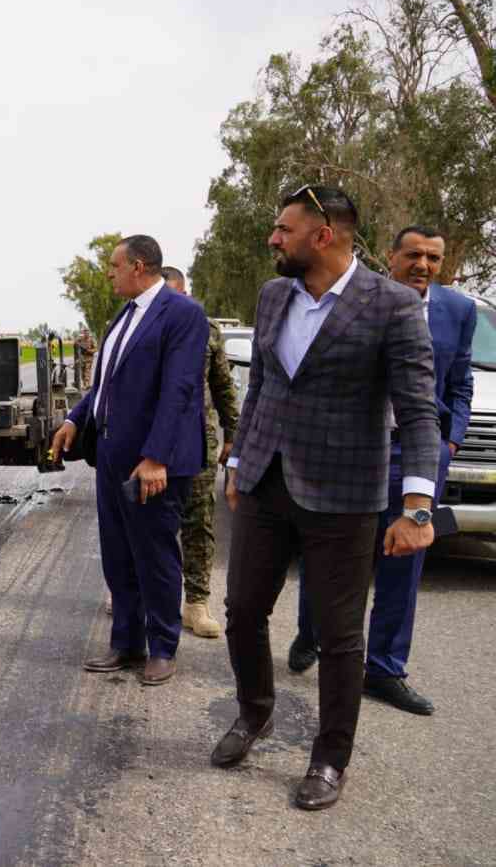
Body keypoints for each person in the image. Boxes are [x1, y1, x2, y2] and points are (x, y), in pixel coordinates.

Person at [213, 186, 438, 811]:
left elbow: (420, 413)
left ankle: (330, 757)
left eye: (284, 230)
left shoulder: (392, 305)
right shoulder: (273, 294)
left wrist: (417, 505)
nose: (273, 239)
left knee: (340, 637)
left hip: (344, 493)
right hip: (265, 481)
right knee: (241, 610)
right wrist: (238, 460)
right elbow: (260, 385)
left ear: (324, 236)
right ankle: (252, 714)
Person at [287, 225, 472, 717]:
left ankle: (386, 669)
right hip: (350, 452)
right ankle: (311, 633)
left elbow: (460, 381)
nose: (423, 266)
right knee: (327, 554)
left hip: (415, 456)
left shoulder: (459, 310)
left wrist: (448, 443)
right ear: (390, 257)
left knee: (403, 564)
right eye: (413, 255)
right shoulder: (360, 300)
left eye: (434, 258)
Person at [52, 236, 207, 686]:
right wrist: (75, 419)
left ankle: (162, 647)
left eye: (114, 265)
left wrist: (156, 457)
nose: (109, 273)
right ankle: (126, 642)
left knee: (154, 555)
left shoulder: (182, 315)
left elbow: (179, 390)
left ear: (138, 266)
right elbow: (107, 384)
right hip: (112, 456)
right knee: (119, 554)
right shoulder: (124, 315)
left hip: (151, 464)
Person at [160, 265, 239, 639]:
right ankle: (140, 591)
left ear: (186, 292)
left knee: (199, 523)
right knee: (148, 524)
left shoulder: (206, 330)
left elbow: (223, 385)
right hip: (151, 447)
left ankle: (196, 603)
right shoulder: (145, 328)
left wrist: (232, 436)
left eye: (176, 295)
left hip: (199, 445)